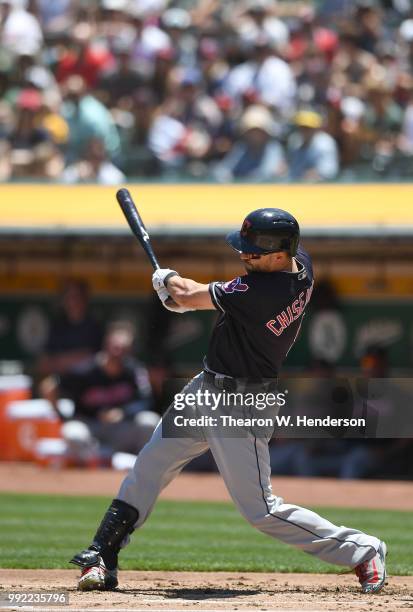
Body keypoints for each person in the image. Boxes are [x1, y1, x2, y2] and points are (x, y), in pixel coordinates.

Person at [70, 209, 387, 594]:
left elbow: (188, 294)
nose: (244, 256)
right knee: (149, 467)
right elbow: (194, 301)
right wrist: (179, 297)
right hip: (205, 388)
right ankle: (102, 553)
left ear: (277, 255)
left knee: (261, 510)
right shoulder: (301, 263)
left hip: (241, 404)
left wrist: (167, 279)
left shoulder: (262, 292)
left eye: (253, 251)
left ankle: (362, 549)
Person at [40, 320, 157, 458]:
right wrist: (64, 417)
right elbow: (49, 387)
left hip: (120, 429)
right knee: (73, 434)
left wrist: (122, 412)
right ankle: (95, 463)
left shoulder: (134, 370)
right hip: (91, 426)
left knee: (150, 422)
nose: (118, 353)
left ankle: (135, 466)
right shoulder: (85, 369)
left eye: (124, 349)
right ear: (106, 345)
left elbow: (146, 400)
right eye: (116, 348)